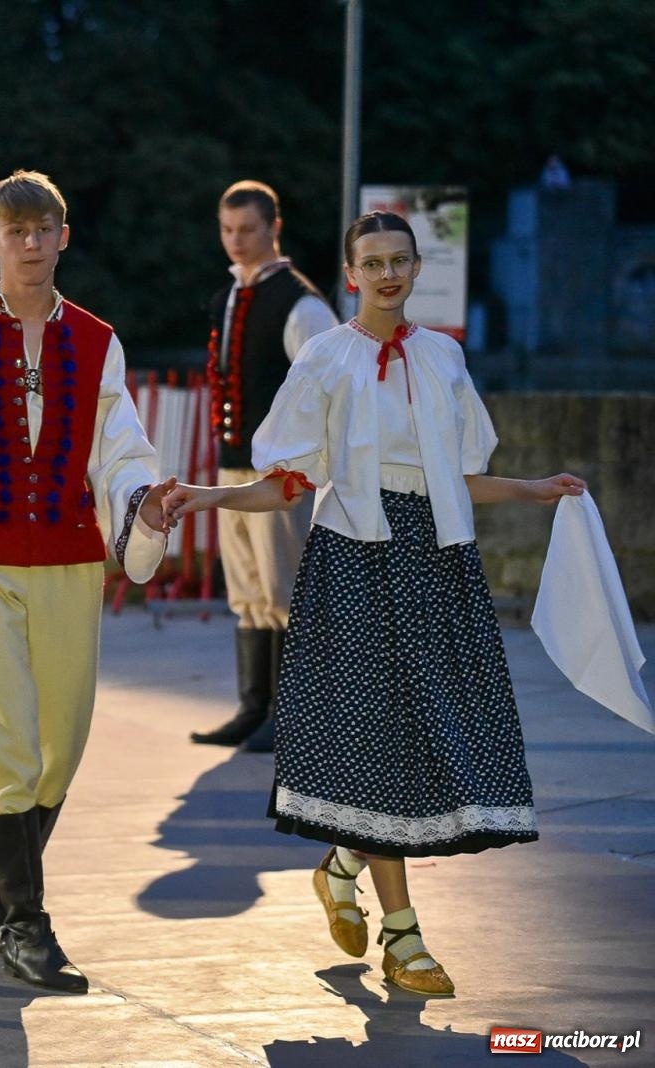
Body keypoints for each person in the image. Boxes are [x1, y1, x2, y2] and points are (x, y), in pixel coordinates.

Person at [163, 211, 586, 996]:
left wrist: (535, 489)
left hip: (435, 562)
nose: (388, 274)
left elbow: (457, 476)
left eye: (400, 260)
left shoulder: (444, 358)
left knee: (428, 735)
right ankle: (403, 935)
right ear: (350, 273)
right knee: (378, 739)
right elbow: (288, 481)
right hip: (354, 561)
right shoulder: (325, 358)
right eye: (372, 262)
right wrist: (199, 496)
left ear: (418, 268)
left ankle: (343, 862)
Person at [0, 171, 174, 993]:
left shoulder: (97, 338)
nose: (31, 243)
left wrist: (142, 507)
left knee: (63, 745)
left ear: (64, 235)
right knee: (6, 739)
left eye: (45, 228)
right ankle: (25, 919)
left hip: (70, 560)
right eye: (16, 231)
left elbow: (120, 452)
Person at [191, 181, 338, 752]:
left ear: (274, 228)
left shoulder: (301, 303)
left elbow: (326, 386)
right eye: (228, 230)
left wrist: (305, 468)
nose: (236, 241)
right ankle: (255, 705)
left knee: (285, 587)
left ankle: (294, 712)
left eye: (248, 229)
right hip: (234, 465)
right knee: (248, 589)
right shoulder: (231, 294)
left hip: (282, 475)